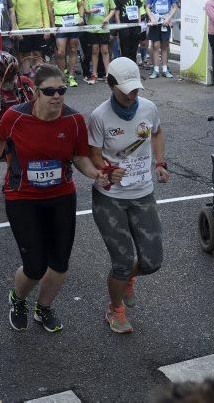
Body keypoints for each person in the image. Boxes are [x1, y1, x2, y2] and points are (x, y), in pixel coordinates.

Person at [0, 64, 107, 333]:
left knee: (60, 263)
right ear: (35, 93)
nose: (57, 96)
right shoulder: (16, 116)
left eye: (61, 90)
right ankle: (18, 299)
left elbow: (79, 157)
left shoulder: (74, 121)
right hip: (22, 198)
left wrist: (94, 174)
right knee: (35, 265)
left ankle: (44, 307)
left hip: (60, 196)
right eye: (49, 91)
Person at [88, 58, 169, 334]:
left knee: (152, 261)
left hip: (143, 193)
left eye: (135, 88)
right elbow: (94, 155)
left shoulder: (149, 108)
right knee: (122, 262)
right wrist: (107, 171)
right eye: (126, 90)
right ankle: (115, 308)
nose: (132, 94)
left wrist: (160, 163)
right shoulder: (99, 116)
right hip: (109, 198)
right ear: (111, 85)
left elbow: (156, 133)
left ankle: (127, 280)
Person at [46, 0, 84, 88]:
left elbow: (81, 5)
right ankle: (62, 76)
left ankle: (71, 76)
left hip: (74, 22)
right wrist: (52, 25)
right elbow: (49, 7)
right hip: (59, 22)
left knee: (73, 49)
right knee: (61, 52)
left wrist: (81, 17)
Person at [0, 51, 34, 132]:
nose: (10, 81)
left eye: (12, 77)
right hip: (0, 126)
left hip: (24, 122)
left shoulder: (25, 82)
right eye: (6, 78)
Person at [10, 0, 51, 74]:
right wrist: (17, 30)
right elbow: (12, 13)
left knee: (38, 53)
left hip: (38, 29)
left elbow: (45, 11)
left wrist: (47, 28)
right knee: (25, 55)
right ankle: (26, 79)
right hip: (23, 30)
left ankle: (39, 78)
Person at [145, 0, 178, 79]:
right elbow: (147, 7)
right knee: (155, 45)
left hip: (165, 22)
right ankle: (155, 69)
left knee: (164, 46)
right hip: (155, 22)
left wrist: (169, 18)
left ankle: (164, 68)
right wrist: (152, 19)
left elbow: (174, 7)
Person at [83, 0, 116, 85]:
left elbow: (113, 9)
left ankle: (108, 74)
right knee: (95, 50)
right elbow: (86, 10)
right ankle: (94, 74)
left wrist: (107, 18)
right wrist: (93, 10)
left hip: (104, 28)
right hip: (93, 27)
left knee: (105, 50)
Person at [114, 0, 143, 65]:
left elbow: (138, 10)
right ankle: (126, 67)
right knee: (125, 49)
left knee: (134, 49)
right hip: (124, 27)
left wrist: (139, 23)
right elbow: (117, 13)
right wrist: (119, 26)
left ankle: (133, 66)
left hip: (135, 26)